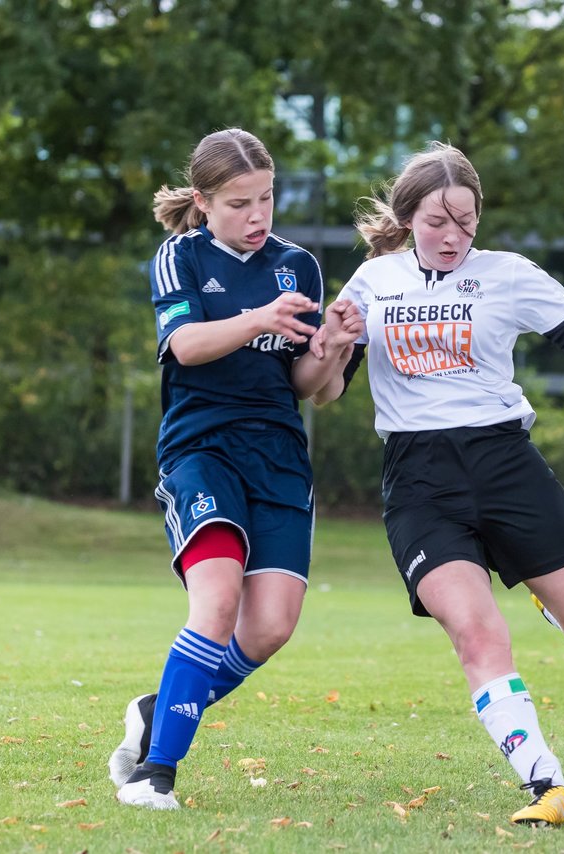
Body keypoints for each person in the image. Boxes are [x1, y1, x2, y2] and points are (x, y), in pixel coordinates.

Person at [310, 142, 564, 826]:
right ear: (408, 217)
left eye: (466, 222)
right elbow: (321, 394)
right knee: (476, 632)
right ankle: (547, 785)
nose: (453, 237)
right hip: (419, 481)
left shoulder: (509, 275)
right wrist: (331, 342)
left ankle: (534, 587)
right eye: (438, 221)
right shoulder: (371, 284)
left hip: (505, 466)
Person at [110, 127, 362, 810]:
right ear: (204, 201)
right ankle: (155, 774)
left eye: (267, 199)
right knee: (217, 603)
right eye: (240, 203)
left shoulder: (299, 267)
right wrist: (256, 318)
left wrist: (334, 349)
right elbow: (185, 345)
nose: (257, 217)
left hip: (279, 457)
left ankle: (157, 708)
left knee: (271, 626)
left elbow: (313, 387)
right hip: (203, 450)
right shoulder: (179, 257)